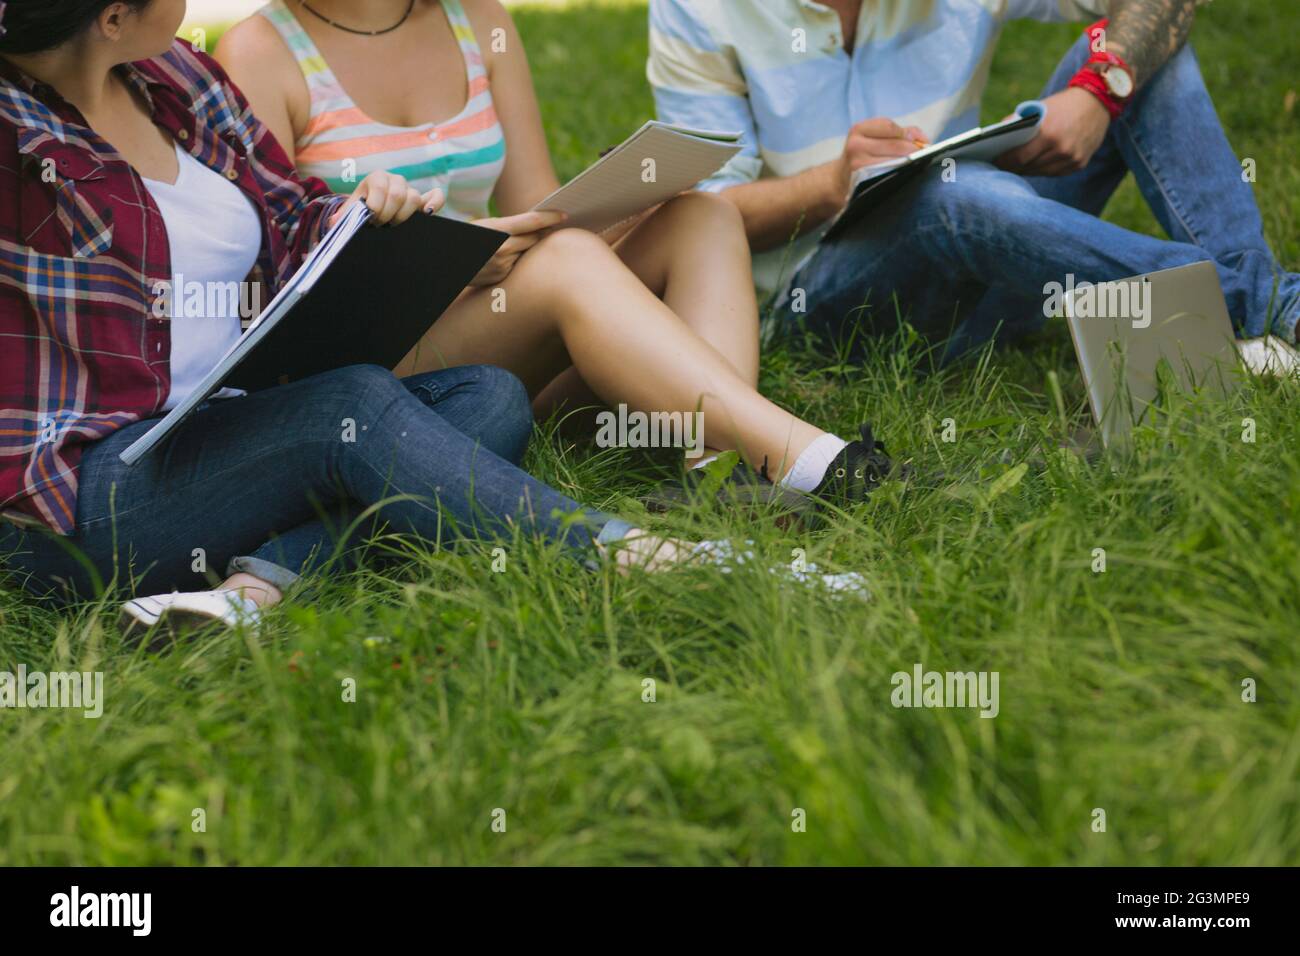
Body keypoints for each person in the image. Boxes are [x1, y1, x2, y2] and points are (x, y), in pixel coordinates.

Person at [0, 0, 733, 639]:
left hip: (210, 431)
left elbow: (290, 212)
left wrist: (368, 216)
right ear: (112, 16)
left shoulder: (175, 78)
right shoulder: (19, 140)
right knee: (349, 406)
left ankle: (253, 593)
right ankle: (634, 557)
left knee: (486, 397)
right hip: (77, 496)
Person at [214, 0, 902, 508]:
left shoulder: (477, 19)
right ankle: (816, 460)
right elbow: (275, 291)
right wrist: (451, 265)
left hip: (510, 324)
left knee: (704, 217)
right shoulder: (259, 51)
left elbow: (543, 208)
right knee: (567, 262)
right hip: (379, 371)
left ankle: (719, 474)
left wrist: (627, 201)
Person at [646, 0, 1299, 362]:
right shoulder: (698, 10)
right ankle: (1260, 308)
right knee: (955, 193)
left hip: (997, 261)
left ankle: (1256, 323)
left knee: (1136, 49)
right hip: (830, 308)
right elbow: (705, 215)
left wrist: (1101, 89)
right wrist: (835, 182)